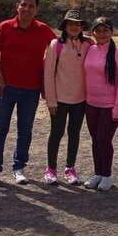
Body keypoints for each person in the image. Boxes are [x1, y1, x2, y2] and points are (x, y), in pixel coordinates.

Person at [0, 0, 56, 187]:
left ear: (37, 10)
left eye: (31, 6)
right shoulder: (5, 27)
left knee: (25, 130)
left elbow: (59, 48)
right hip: (5, 89)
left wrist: (86, 43)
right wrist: (0, 79)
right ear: (17, 6)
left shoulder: (43, 30)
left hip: (31, 90)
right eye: (23, 5)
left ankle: (19, 168)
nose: (26, 9)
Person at [43, 10, 92, 185]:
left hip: (81, 99)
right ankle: (51, 169)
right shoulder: (55, 44)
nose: (74, 27)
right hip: (60, 98)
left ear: (82, 27)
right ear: (65, 25)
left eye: (77, 24)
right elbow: (48, 74)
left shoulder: (88, 44)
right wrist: (51, 100)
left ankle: (70, 168)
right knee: (56, 133)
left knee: (74, 133)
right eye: (70, 23)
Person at [83, 17, 118, 191]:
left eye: (105, 30)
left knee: (104, 139)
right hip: (91, 104)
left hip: (110, 105)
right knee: (95, 140)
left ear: (111, 32)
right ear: (93, 32)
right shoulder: (90, 49)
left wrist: (117, 106)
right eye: (98, 30)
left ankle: (107, 175)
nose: (101, 34)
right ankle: (98, 173)